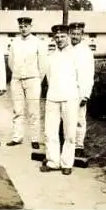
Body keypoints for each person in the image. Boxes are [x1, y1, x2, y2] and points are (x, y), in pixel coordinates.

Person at [40, 24, 82, 175]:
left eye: (63, 36)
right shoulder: (50, 57)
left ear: (68, 36)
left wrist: (82, 96)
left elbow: (81, 78)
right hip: (53, 97)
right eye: (56, 37)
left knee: (69, 133)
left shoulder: (76, 55)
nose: (59, 39)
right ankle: (52, 162)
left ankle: (67, 163)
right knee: (50, 131)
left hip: (70, 97)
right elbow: (49, 78)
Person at [6, 17, 47, 149]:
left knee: (33, 110)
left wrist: (36, 78)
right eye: (21, 26)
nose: (23, 29)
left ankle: (35, 139)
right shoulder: (15, 43)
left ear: (31, 27)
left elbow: (43, 65)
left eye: (26, 26)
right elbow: (11, 62)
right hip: (17, 79)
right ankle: (17, 137)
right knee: (18, 110)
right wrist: (18, 74)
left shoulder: (38, 42)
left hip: (33, 79)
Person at [69, 22, 95, 158]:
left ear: (82, 35)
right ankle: (68, 145)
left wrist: (86, 95)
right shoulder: (66, 49)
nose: (75, 36)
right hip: (66, 90)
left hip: (80, 90)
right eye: (73, 33)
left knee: (79, 120)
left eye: (78, 34)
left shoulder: (86, 52)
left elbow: (89, 74)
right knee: (66, 119)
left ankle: (79, 146)